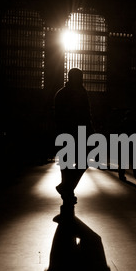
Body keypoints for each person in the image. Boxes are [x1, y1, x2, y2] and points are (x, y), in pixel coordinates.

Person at [54, 68, 93, 206]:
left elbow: (56, 117)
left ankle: (67, 192)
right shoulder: (81, 93)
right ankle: (67, 189)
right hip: (79, 133)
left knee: (66, 166)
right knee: (83, 161)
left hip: (64, 133)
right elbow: (86, 116)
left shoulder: (61, 93)